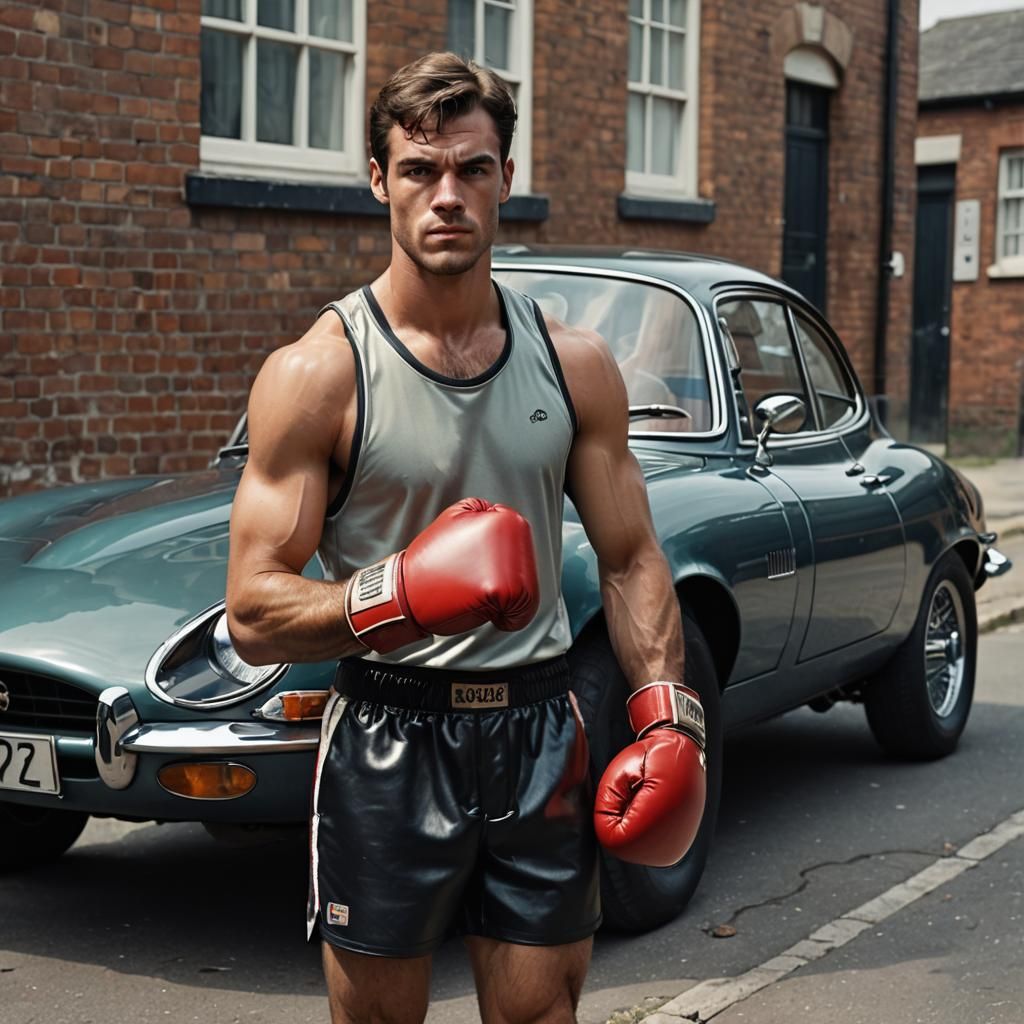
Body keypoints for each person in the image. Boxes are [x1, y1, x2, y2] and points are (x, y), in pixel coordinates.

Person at [225, 51, 706, 1024]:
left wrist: (665, 710)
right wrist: (395, 591)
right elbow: (251, 609)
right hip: (387, 736)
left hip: (540, 728)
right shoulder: (319, 374)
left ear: (505, 182)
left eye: (472, 169)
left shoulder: (575, 366)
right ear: (378, 182)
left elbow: (631, 556)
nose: (447, 195)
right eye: (419, 170)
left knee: (542, 1015)